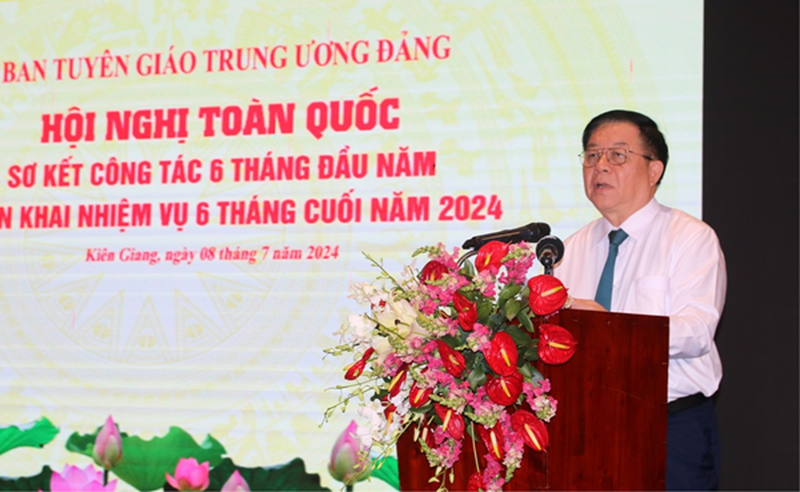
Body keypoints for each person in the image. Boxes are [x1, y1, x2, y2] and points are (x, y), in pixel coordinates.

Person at [554, 109, 726, 490]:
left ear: (654, 170)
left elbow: (696, 332)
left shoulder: (690, 238)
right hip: (585, 427)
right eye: (592, 155)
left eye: (618, 155)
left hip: (669, 427)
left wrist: (608, 326)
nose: (600, 166)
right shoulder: (570, 250)